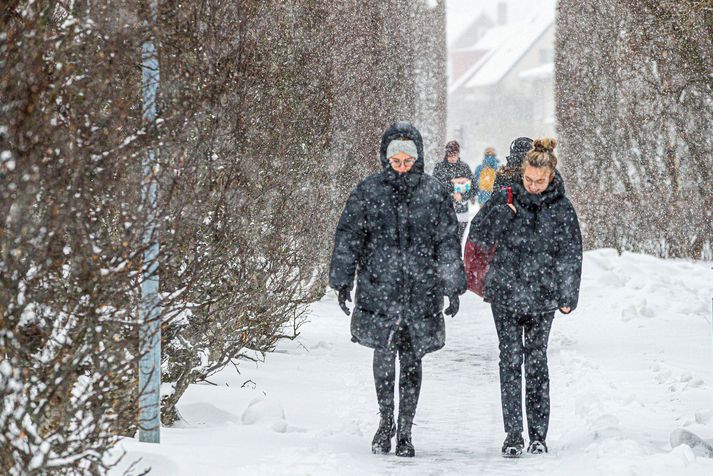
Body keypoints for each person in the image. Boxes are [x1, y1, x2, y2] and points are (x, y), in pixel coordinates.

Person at [329, 121, 466, 458]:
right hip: (380, 287)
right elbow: (349, 237)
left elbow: (447, 242)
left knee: (412, 358)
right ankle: (385, 420)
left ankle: (405, 429)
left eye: (408, 159)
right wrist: (342, 279)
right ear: (385, 158)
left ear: (417, 158)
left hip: (421, 289)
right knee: (384, 354)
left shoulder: (434, 193)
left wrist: (452, 284)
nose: (402, 165)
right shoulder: (368, 191)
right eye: (396, 159)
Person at [467, 138, 582, 458]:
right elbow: (478, 236)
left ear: (551, 176)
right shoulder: (504, 198)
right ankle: (514, 434)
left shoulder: (561, 208)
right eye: (528, 180)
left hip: (543, 298)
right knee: (509, 361)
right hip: (505, 294)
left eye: (539, 181)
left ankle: (538, 435)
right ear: (522, 175)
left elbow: (571, 255)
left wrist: (568, 293)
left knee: (536, 363)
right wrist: (502, 216)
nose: (533, 186)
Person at [432, 140, 475, 243]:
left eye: (454, 155)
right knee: (445, 241)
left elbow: (474, 187)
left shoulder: (464, 167)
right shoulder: (439, 168)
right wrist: (451, 194)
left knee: (458, 241)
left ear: (458, 154)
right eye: (450, 155)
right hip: (444, 210)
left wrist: (463, 197)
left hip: (461, 212)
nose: (452, 158)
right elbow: (434, 187)